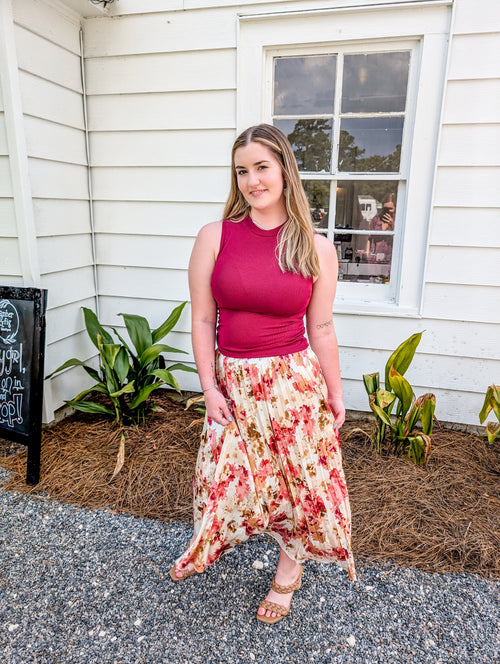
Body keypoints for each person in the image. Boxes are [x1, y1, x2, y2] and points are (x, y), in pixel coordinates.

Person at [169, 124, 356, 624]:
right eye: (242, 171)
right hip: (233, 381)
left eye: (262, 167)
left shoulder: (315, 248)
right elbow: (204, 318)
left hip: (294, 385)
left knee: (301, 482)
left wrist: (336, 393)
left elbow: (320, 326)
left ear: (284, 171)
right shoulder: (215, 237)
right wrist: (209, 388)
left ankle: (289, 571)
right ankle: (208, 543)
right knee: (227, 477)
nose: (252, 180)